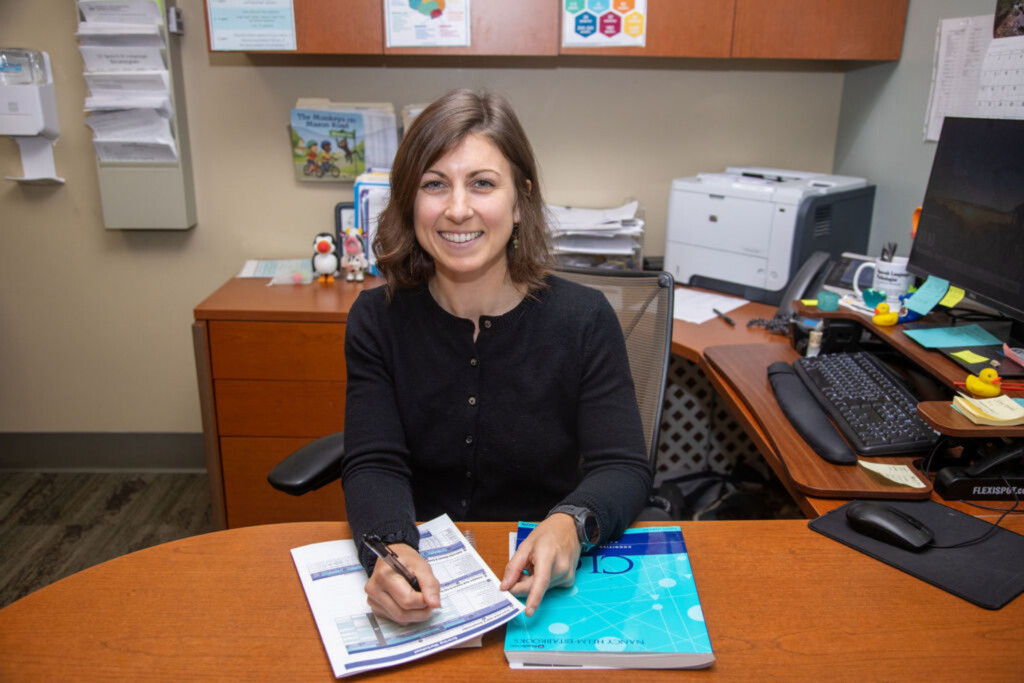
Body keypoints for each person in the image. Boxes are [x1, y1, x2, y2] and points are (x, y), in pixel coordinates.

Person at [341, 89, 651, 625]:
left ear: (520, 199)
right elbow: (375, 462)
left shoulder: (584, 319)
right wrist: (391, 550)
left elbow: (622, 465)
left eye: (482, 183)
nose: (457, 208)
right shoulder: (377, 318)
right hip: (427, 571)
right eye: (434, 184)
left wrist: (571, 522)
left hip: (544, 571)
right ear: (409, 201)